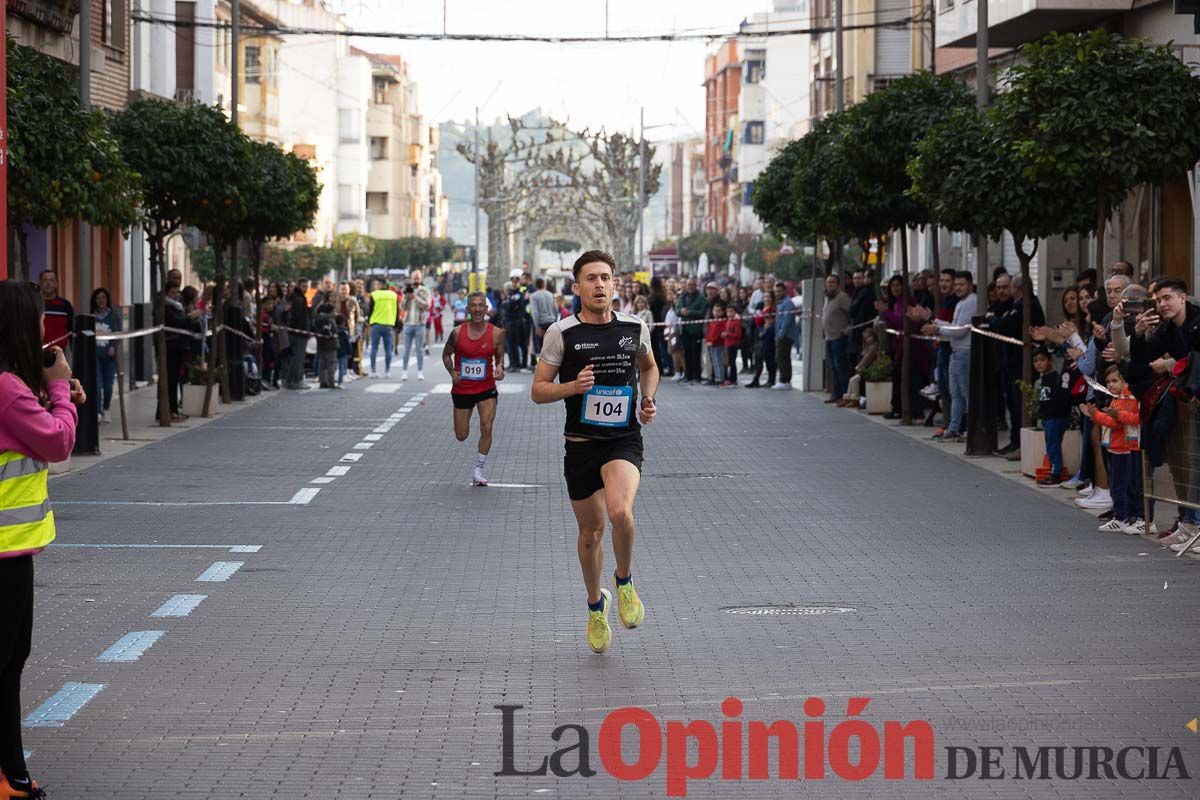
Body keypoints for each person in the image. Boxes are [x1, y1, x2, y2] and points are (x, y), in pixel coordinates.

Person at [532, 250, 658, 655]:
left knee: (621, 512)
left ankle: (623, 582)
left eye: (605, 277)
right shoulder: (562, 333)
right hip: (580, 446)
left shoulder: (634, 328)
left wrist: (649, 398)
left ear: (615, 284)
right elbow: (538, 390)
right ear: (577, 287)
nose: (599, 285)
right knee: (591, 533)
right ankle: (594, 606)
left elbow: (649, 367)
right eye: (591, 278)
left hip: (622, 440)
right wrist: (572, 387)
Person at [0, 279, 82, 800]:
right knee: (6, 663)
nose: (42, 328)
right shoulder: (7, 387)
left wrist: (54, 394)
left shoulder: (11, 383)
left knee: (10, 661)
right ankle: (12, 777)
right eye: (36, 318)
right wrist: (59, 391)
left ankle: (9, 773)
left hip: (12, 547)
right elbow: (57, 442)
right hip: (4, 551)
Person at [444, 293, 506, 486]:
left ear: (486, 309)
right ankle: (476, 465)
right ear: (468, 309)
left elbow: (500, 357)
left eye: (481, 306)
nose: (478, 309)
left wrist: (500, 367)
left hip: (486, 388)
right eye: (474, 306)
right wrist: (452, 372)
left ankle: (478, 469)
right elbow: (446, 355)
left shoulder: (496, 333)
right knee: (461, 435)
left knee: (487, 426)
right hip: (462, 389)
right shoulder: (456, 333)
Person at [1081, 365, 1146, 533]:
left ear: (1124, 381)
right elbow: (1113, 421)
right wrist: (1095, 414)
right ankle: (1122, 516)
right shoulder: (1117, 398)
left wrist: (1098, 415)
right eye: (1108, 381)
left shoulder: (1128, 398)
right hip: (1115, 447)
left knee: (1123, 486)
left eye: (1114, 381)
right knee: (1119, 484)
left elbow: (1120, 422)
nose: (1110, 385)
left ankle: (1123, 516)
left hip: (1124, 447)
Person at [1033, 347, 1072, 487]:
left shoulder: (1055, 378)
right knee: (1051, 445)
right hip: (1048, 418)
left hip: (1056, 417)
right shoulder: (1043, 378)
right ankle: (1053, 471)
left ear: (1050, 361)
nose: (1039, 364)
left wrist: (1059, 413)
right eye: (1036, 361)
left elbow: (1061, 398)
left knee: (1053, 445)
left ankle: (1056, 474)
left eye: (1042, 360)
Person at [90, 287, 121, 424]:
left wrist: (114, 346)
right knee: (97, 385)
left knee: (108, 386)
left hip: (109, 358)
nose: (101, 300)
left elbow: (119, 333)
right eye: (98, 298)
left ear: (107, 299)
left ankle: (106, 408)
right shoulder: (91, 317)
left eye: (103, 297)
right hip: (95, 357)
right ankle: (97, 412)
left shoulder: (114, 316)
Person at [822, 274, 852, 403]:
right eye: (828, 282)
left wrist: (848, 328)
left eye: (833, 282)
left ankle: (844, 395)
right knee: (833, 367)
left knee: (841, 367)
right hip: (829, 337)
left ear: (838, 285)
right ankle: (836, 393)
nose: (830, 285)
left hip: (839, 337)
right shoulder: (828, 298)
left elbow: (852, 313)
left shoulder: (842, 297)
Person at [837, 327, 881, 407]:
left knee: (854, 380)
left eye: (869, 337)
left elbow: (866, 359)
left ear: (873, 336)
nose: (868, 339)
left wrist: (858, 367)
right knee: (852, 379)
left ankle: (855, 399)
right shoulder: (867, 347)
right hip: (866, 370)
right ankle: (848, 398)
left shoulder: (873, 347)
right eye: (866, 338)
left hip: (870, 370)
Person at [675, 277, 706, 384]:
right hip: (684, 330)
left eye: (692, 285)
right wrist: (681, 311)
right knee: (686, 353)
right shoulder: (682, 296)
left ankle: (697, 376)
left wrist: (690, 312)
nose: (690, 287)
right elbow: (677, 309)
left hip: (695, 330)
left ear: (696, 286)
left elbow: (702, 312)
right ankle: (688, 375)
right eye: (689, 285)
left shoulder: (701, 298)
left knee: (695, 354)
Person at [367, 278, 397, 378]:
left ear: (380, 284)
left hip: (376, 324)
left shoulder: (374, 294)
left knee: (374, 348)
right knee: (388, 349)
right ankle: (387, 371)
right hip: (388, 324)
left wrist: (368, 322)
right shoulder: (393, 295)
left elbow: (370, 310)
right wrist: (396, 325)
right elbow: (396, 310)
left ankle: (373, 370)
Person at [399, 282, 429, 381]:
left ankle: (420, 372)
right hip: (407, 324)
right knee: (406, 349)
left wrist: (415, 297)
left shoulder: (424, 291)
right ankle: (404, 372)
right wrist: (407, 297)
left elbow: (426, 306)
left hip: (419, 324)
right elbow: (402, 307)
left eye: (417, 277)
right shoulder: (407, 294)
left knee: (419, 349)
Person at [774, 281, 798, 390]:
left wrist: (781, 334)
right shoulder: (780, 302)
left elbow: (787, 320)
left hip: (785, 335)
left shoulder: (788, 303)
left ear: (784, 291)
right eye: (776, 291)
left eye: (779, 291)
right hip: (782, 334)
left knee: (781, 357)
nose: (777, 293)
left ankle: (784, 380)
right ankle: (786, 380)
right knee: (784, 357)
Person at [530, 278, 559, 367]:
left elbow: (535, 312)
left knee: (540, 346)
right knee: (550, 345)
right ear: (544, 284)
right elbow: (556, 309)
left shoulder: (534, 296)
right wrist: (555, 321)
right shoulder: (550, 294)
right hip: (552, 321)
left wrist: (536, 326)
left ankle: (542, 365)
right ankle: (552, 365)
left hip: (541, 322)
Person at [704, 301, 727, 387]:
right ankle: (717, 377)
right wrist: (707, 340)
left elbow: (718, 334)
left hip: (718, 344)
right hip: (711, 345)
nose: (716, 313)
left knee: (719, 361)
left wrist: (712, 341)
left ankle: (720, 378)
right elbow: (709, 333)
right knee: (714, 361)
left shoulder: (722, 322)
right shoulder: (712, 321)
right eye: (715, 310)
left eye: (718, 311)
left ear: (722, 312)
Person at [720, 303, 741, 388]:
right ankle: (727, 379)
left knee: (732, 363)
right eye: (728, 311)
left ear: (735, 312)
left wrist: (727, 334)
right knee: (726, 362)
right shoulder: (728, 321)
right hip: (727, 344)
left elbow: (738, 334)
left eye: (731, 311)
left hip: (733, 345)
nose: (729, 313)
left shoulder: (736, 322)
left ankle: (733, 380)